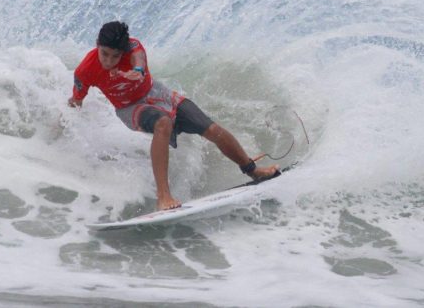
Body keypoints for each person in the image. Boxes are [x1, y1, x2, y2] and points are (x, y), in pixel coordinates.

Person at [68, 21, 278, 210]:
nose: (109, 61)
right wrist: (64, 121)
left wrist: (138, 70)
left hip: (157, 93)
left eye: (116, 56)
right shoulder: (85, 70)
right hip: (130, 108)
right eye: (104, 54)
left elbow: (138, 58)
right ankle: (164, 197)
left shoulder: (133, 48)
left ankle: (252, 170)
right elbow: (76, 101)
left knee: (211, 129)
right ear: (97, 44)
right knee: (163, 123)